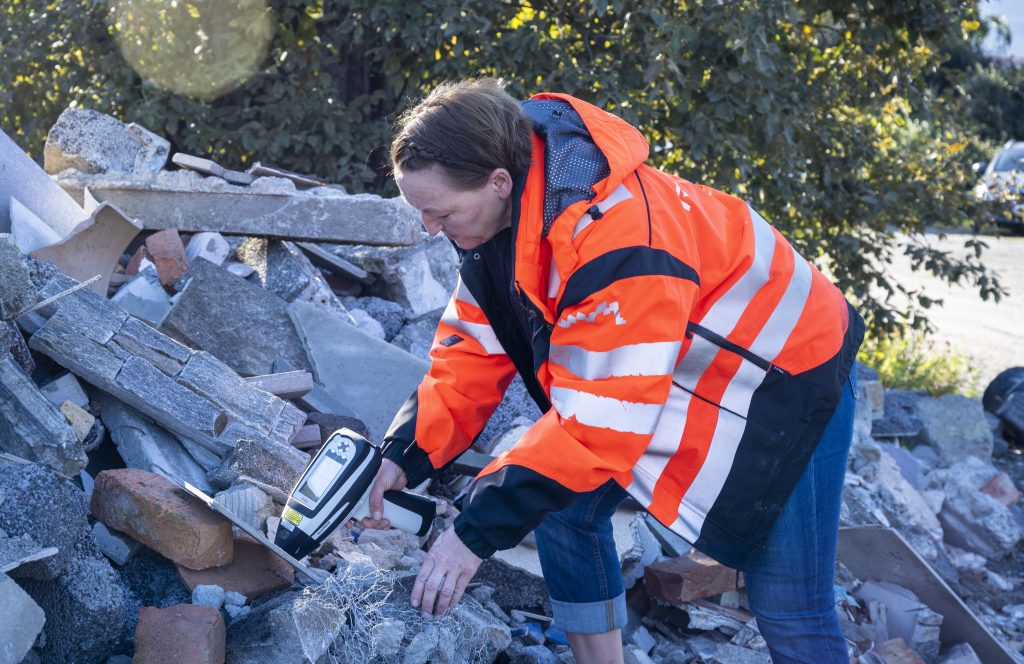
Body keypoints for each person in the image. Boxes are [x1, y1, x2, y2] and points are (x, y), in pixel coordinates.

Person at [362, 78, 863, 664]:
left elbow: (596, 421)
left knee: (789, 605)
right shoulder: (499, 219)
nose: (430, 229)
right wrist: (404, 452)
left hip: (786, 373)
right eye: (421, 212)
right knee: (562, 505)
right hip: (665, 362)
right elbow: (470, 353)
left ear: (499, 182)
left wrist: (472, 534)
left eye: (438, 212)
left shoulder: (619, 239)